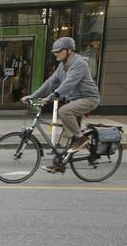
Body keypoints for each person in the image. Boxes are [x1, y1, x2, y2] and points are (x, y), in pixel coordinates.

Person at [22, 37, 101, 174]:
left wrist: (54, 96)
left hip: (89, 98)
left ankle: (81, 138)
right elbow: (50, 82)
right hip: (73, 100)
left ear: (69, 51)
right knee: (66, 136)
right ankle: (61, 164)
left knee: (64, 111)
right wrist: (33, 96)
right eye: (55, 52)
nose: (56, 54)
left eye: (59, 51)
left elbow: (69, 83)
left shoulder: (79, 63)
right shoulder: (62, 66)